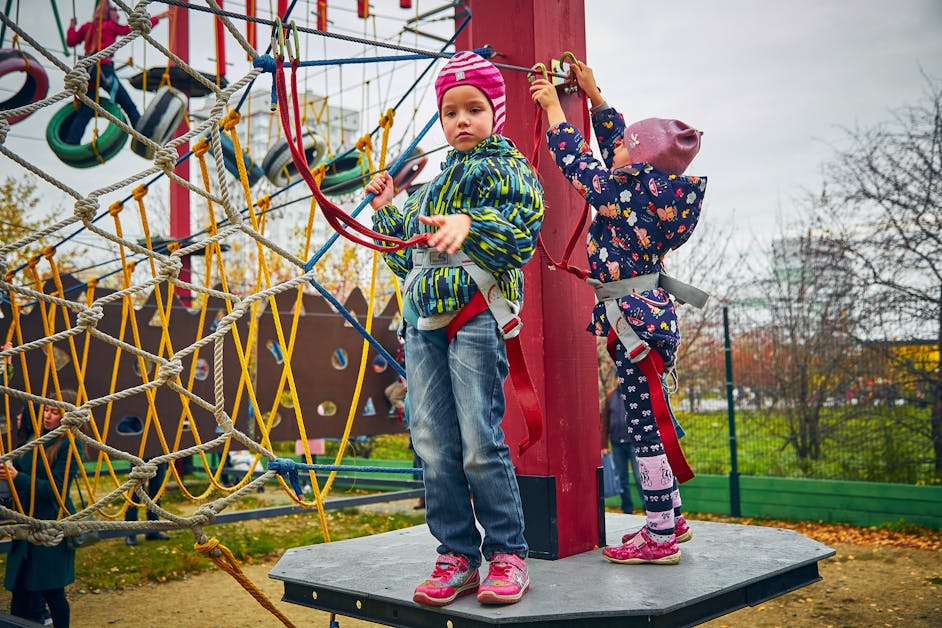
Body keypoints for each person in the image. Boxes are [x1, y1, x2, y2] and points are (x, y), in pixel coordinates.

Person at [365, 51, 543, 606]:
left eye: (474, 109)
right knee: (431, 442)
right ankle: (457, 554)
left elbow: (522, 233)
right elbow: (408, 256)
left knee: (477, 443)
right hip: (423, 324)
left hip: (475, 316)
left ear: (496, 114)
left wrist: (472, 225)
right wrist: (389, 208)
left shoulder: (508, 170)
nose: (461, 120)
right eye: (450, 112)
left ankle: (508, 552)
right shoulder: (435, 186)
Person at [531, 60, 706, 565]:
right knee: (653, 413)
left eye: (626, 144)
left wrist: (552, 110)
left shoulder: (622, 191)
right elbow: (615, 150)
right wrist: (597, 98)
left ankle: (659, 536)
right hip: (650, 314)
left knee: (643, 425)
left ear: (638, 160)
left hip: (632, 320)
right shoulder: (650, 191)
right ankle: (670, 517)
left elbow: (579, 165)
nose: (617, 146)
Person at [1, 390, 81, 628]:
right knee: (20, 590)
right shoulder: (36, 439)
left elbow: (56, 490)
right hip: (26, 522)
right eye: (47, 409)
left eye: (55, 412)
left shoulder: (69, 444)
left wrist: (16, 476)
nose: (48, 416)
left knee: (52, 592)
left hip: (49, 522)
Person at [64, 1, 165, 144]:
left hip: (87, 71)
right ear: (107, 13)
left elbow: (71, 41)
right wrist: (157, 18)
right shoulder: (110, 26)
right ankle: (143, 135)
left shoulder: (88, 27)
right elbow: (132, 29)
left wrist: (72, 27)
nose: (117, 14)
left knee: (85, 110)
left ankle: (71, 141)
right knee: (127, 104)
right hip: (103, 70)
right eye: (114, 10)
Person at [601, 388, 643, 514]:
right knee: (622, 479)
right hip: (616, 443)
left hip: (633, 443)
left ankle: (649, 509)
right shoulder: (610, 396)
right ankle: (627, 509)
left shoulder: (633, 392)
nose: (620, 379)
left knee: (639, 477)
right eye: (618, 377)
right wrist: (604, 444)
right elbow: (605, 422)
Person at [124, 458, 170, 546]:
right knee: (134, 492)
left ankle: (153, 530)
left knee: (156, 492)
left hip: (160, 453)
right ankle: (130, 532)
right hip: (140, 454)